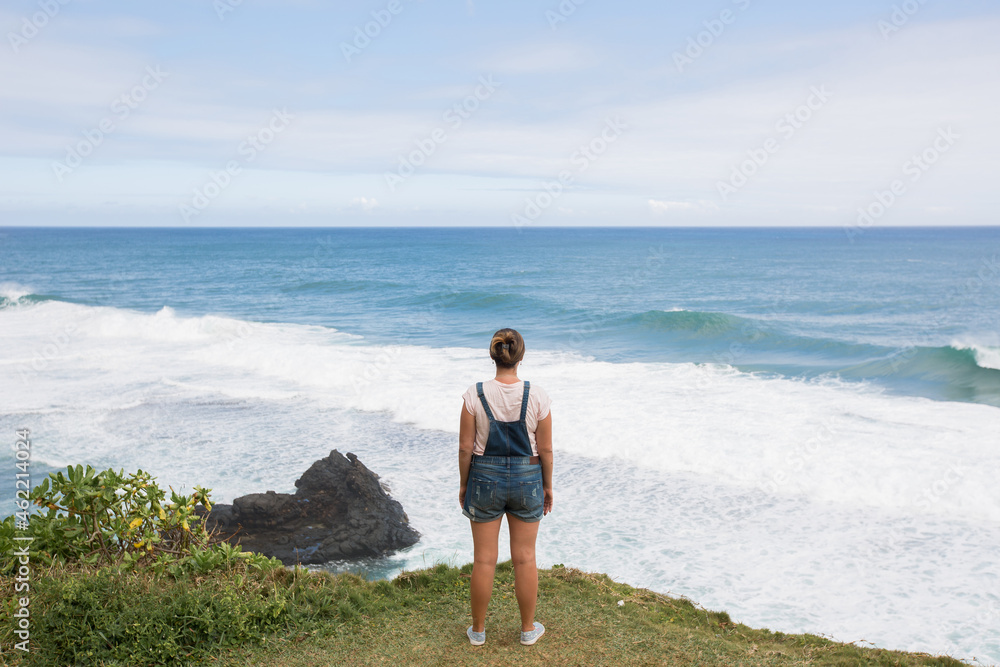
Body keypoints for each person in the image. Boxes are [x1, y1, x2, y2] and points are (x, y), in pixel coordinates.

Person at [459, 327, 553, 647]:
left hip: (484, 477)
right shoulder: (537, 395)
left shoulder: (475, 394)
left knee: (484, 559)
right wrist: (548, 486)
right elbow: (547, 450)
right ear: (521, 356)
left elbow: (465, 448)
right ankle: (528, 630)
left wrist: (464, 484)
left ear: (493, 354)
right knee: (525, 557)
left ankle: (478, 631)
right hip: (528, 478)